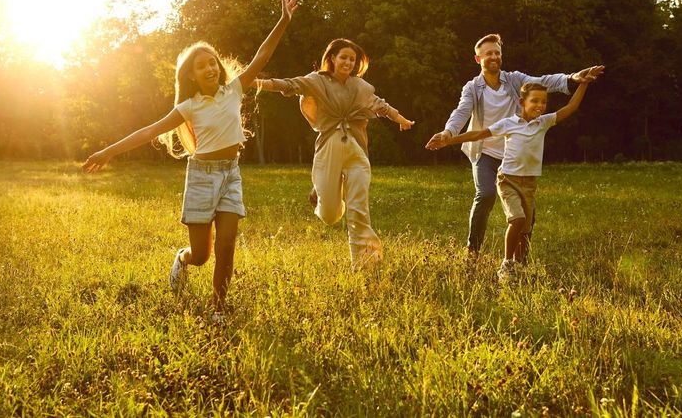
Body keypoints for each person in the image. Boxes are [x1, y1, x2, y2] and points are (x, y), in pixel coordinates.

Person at [82, 0, 299, 320]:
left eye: (213, 62)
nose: (210, 67)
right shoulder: (188, 106)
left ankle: (218, 309)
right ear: (191, 76)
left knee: (227, 246)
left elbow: (262, 56)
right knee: (202, 255)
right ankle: (181, 260)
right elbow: (147, 132)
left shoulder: (235, 88)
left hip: (230, 174)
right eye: (202, 66)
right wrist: (107, 151)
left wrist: (284, 19)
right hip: (200, 177)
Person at [427, 33, 604, 260]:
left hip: (513, 155)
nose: (494, 56)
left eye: (497, 53)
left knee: (527, 211)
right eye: (488, 53)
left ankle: (520, 258)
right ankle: (473, 251)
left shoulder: (514, 79)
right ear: (477, 58)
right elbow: (461, 112)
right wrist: (448, 133)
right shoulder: (472, 88)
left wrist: (573, 78)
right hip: (486, 153)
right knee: (486, 194)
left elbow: (543, 82)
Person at [256, 39, 414, 270]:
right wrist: (255, 81)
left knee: (359, 210)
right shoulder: (316, 81)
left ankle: (364, 265)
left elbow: (380, 105)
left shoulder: (361, 87)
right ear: (332, 58)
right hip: (329, 149)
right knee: (330, 215)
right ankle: (322, 193)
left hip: (357, 152)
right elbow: (288, 84)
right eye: (344, 57)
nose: (348, 62)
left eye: (352, 59)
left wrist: (400, 119)